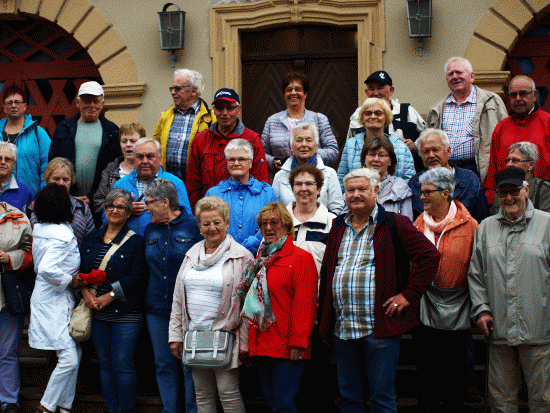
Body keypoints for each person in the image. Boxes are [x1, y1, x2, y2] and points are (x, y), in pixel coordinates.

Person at [317, 168, 440, 413]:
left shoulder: (395, 223)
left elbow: (429, 256)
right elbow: (329, 271)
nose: (355, 194)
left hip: (379, 330)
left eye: (362, 189)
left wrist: (409, 294)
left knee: (382, 399)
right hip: (343, 330)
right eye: (350, 190)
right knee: (349, 399)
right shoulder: (338, 227)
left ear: (375, 191)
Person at [469, 167, 550, 412]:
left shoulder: (547, 225)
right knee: (501, 401)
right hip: (500, 330)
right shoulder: (485, 228)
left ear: (526, 191)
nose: (509, 198)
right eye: (503, 193)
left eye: (514, 191)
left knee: (543, 400)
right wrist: (481, 310)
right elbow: (476, 275)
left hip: (540, 330)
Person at [169, 196, 253, 413]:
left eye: (217, 222)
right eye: (206, 223)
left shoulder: (241, 256)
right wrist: (176, 336)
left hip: (226, 337)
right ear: (199, 226)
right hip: (195, 336)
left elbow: (248, 305)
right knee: (202, 396)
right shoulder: (191, 255)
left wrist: (244, 343)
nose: (212, 228)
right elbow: (178, 299)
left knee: (228, 392)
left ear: (227, 222)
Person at [238, 202, 318, 413]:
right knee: (272, 402)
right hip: (262, 344)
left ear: (287, 226)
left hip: (287, 347)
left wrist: (298, 344)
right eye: (263, 224)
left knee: (284, 405)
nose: (268, 228)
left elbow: (305, 305)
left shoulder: (301, 258)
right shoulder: (261, 258)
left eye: (275, 222)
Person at [413, 167, 478, 412]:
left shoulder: (470, 225)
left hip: (458, 305)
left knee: (454, 369)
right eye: (421, 192)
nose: (422, 197)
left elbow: (476, 266)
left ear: (446, 193)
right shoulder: (419, 223)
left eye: (428, 192)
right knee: (426, 368)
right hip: (425, 304)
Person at [79, 188, 146, 413]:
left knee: (122, 364)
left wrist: (110, 296)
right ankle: (111, 408)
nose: (115, 210)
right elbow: (82, 271)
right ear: (105, 209)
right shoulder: (92, 237)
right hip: (97, 310)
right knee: (105, 365)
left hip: (126, 312)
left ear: (129, 213)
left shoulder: (135, 241)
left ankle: (125, 410)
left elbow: (136, 276)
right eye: (111, 206)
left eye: (121, 207)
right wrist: (86, 294)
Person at [143, 178, 202, 413]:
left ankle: (191, 410)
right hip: (156, 307)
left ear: (165, 202)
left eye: (149, 203)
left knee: (189, 363)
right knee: (164, 364)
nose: (145, 208)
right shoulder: (149, 228)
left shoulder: (193, 226)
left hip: (189, 307)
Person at [28, 184, 85, 413]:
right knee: (69, 358)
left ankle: (64, 406)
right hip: (53, 298)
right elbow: (46, 269)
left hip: (48, 297)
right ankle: (47, 406)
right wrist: (70, 280)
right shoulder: (62, 235)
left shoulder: (41, 228)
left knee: (75, 353)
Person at [426, 57, 507, 184]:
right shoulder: (437, 109)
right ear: (447, 79)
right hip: (447, 169)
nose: (455, 76)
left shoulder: (492, 101)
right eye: (450, 74)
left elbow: (506, 135)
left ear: (472, 77)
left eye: (459, 72)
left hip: (480, 169)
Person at [186, 88, 268, 210]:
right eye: (219, 108)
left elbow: (260, 181)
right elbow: (193, 183)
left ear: (238, 109)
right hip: (210, 210)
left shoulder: (252, 139)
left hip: (243, 209)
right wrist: (197, 213)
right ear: (214, 111)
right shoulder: (201, 140)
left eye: (230, 108)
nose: (225, 113)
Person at [49, 81, 121, 204]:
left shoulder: (112, 131)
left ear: (102, 104)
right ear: (78, 103)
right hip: (66, 198)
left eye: (96, 101)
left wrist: (93, 196)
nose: (91, 105)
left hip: (100, 201)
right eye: (87, 101)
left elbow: (115, 168)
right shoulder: (64, 128)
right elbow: (52, 164)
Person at [485, 75, 550, 204]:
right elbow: (493, 166)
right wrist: (491, 198)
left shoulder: (547, 123)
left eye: (523, 94)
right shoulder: (501, 127)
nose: (518, 99)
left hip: (541, 197)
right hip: (508, 198)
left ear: (535, 95)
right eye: (513, 95)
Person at [205, 138, 277, 255]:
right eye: (232, 159)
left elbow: (274, 224)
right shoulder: (213, 194)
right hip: (222, 258)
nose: (236, 163)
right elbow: (207, 226)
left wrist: (253, 243)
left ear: (250, 162)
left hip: (258, 257)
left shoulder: (267, 193)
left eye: (241, 159)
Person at [261, 72, 339, 173]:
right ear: (284, 94)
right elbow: (261, 153)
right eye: (289, 90)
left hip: (313, 178)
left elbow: (333, 151)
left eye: (298, 89)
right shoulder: (272, 121)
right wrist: (273, 162)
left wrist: (308, 155)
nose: (293, 93)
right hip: (281, 179)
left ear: (305, 93)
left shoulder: (319, 119)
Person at [347, 70, 425, 170]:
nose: (376, 93)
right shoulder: (358, 114)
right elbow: (349, 149)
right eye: (371, 88)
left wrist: (416, 146)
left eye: (380, 88)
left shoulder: (407, 112)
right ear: (366, 92)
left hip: (401, 175)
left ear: (391, 90)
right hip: (366, 176)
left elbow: (427, 137)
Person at [112, 137, 192, 236]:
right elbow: (106, 220)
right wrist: (126, 210)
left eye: (150, 156)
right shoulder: (121, 184)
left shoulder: (175, 183)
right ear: (134, 159)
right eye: (140, 157)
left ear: (160, 159)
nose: (145, 161)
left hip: (162, 245)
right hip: (128, 245)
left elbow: (187, 221)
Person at [409, 128, 488, 223]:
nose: (431, 155)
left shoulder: (469, 179)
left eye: (436, 150)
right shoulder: (414, 183)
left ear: (448, 151)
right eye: (426, 152)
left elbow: (482, 218)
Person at [337, 97, 415, 191]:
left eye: (378, 113)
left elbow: (409, 181)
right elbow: (342, 180)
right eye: (368, 113)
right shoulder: (351, 144)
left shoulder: (400, 147)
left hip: (393, 201)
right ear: (362, 118)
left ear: (386, 118)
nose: (373, 116)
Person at [152, 69, 215, 182]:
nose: (172, 92)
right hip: (167, 183)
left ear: (194, 91)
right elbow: (155, 145)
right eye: (172, 88)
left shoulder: (210, 118)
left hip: (197, 183)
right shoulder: (166, 116)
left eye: (178, 88)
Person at [0, 201, 33, 413]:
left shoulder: (17, 216)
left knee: (7, 352)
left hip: (8, 293)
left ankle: (9, 400)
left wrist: (9, 257)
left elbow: (31, 254)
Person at [272, 122, 344, 215]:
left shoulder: (330, 173)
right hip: (289, 228)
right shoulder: (280, 176)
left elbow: (337, 209)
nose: (304, 144)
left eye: (309, 140)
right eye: (299, 140)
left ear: (316, 146)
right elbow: (275, 208)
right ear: (291, 146)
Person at [27, 157, 94, 247]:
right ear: (47, 180)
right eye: (56, 179)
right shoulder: (30, 208)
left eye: (65, 180)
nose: (61, 183)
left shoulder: (82, 207)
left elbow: (91, 239)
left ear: (71, 181)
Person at [1, 84, 50, 197]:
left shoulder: (38, 133)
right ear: (4, 107)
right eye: (9, 102)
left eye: (17, 102)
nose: (13, 105)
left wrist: (42, 195)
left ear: (24, 106)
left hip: (31, 199)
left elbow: (48, 166)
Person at [286, 164, 335, 273]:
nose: (303, 189)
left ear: (318, 189)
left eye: (309, 184)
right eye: (298, 184)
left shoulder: (332, 222)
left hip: (318, 288)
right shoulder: (279, 221)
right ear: (293, 189)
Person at [93, 123, 146, 216]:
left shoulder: (149, 171)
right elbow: (98, 202)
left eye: (133, 141)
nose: (128, 144)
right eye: (124, 141)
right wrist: (123, 210)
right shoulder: (110, 171)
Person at [361, 135, 413, 220]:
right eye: (372, 154)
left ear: (390, 161)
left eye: (381, 155)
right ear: (364, 159)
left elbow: (407, 225)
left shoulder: (401, 188)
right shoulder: (354, 185)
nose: (376, 159)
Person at [491, 142, 550, 214]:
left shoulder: (544, 190)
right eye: (508, 160)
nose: (509, 164)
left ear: (530, 165)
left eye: (515, 160)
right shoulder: (501, 188)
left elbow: (544, 221)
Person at [0, 142, 32, 210]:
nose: (2, 162)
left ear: (13, 164)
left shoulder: (24, 192)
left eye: (7, 159)